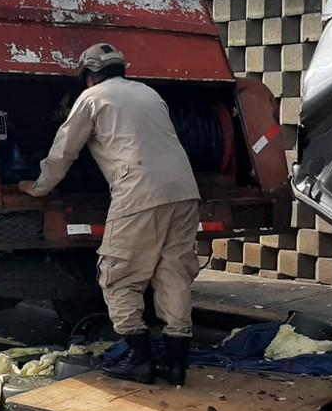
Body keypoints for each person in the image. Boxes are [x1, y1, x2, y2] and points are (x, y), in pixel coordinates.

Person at [19, 43, 200, 386]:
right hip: (185, 191)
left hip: (139, 193)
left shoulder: (92, 98)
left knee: (119, 276)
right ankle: (176, 366)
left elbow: (64, 150)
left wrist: (40, 186)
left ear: (90, 74)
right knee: (173, 273)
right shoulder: (149, 93)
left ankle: (141, 360)